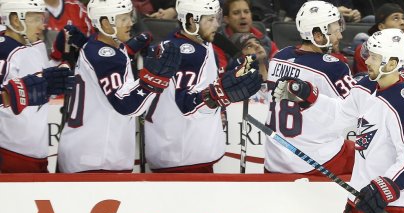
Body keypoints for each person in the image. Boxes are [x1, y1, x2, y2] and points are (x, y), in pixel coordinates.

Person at [274, 28, 404, 213]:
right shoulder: (366, 86)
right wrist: (309, 95)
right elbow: (339, 117)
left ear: (393, 62)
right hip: (360, 192)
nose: (366, 60)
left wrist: (383, 189)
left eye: (374, 57)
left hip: (385, 199)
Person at [57, 0, 181, 173]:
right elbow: (125, 105)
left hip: (86, 153)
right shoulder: (107, 56)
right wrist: (154, 78)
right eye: (123, 19)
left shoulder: (95, 46)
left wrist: (128, 49)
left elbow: (109, 59)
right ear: (105, 23)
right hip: (97, 159)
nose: (131, 22)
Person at [143, 0, 262, 173]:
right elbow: (186, 103)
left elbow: (202, 82)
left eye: (216, 18)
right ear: (191, 21)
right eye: (209, 20)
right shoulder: (189, 53)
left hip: (173, 147)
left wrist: (235, 69)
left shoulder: (181, 42)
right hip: (184, 153)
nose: (216, 24)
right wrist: (219, 93)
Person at [264, 1, 356, 176]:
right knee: (370, 157)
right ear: (318, 36)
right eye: (335, 31)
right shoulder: (334, 68)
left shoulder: (279, 56)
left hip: (275, 159)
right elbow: (354, 112)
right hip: (312, 163)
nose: (340, 36)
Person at [0, 0, 75, 173]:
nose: (42, 26)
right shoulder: (4, 50)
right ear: (16, 20)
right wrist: (19, 91)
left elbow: (44, 79)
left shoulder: (36, 45)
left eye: (42, 19)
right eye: (35, 19)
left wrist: (57, 57)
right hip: (9, 153)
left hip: (38, 153)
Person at [214, 0, 278, 69]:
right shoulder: (218, 42)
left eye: (246, 12)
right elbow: (222, 75)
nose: (243, 16)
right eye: (236, 13)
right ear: (226, 19)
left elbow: (279, 66)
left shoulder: (265, 40)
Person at [353, 3, 404, 74]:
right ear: (381, 27)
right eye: (396, 18)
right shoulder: (366, 50)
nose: (403, 22)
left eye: (403, 18)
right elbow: (367, 81)